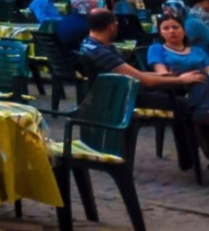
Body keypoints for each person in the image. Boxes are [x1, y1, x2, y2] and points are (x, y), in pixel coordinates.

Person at [83, 8, 209, 162]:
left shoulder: (90, 45)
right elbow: (144, 81)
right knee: (188, 105)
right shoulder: (101, 51)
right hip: (123, 97)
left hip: (117, 91)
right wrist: (180, 80)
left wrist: (168, 76)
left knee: (198, 94)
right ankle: (192, 154)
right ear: (111, 26)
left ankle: (193, 146)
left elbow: (136, 74)